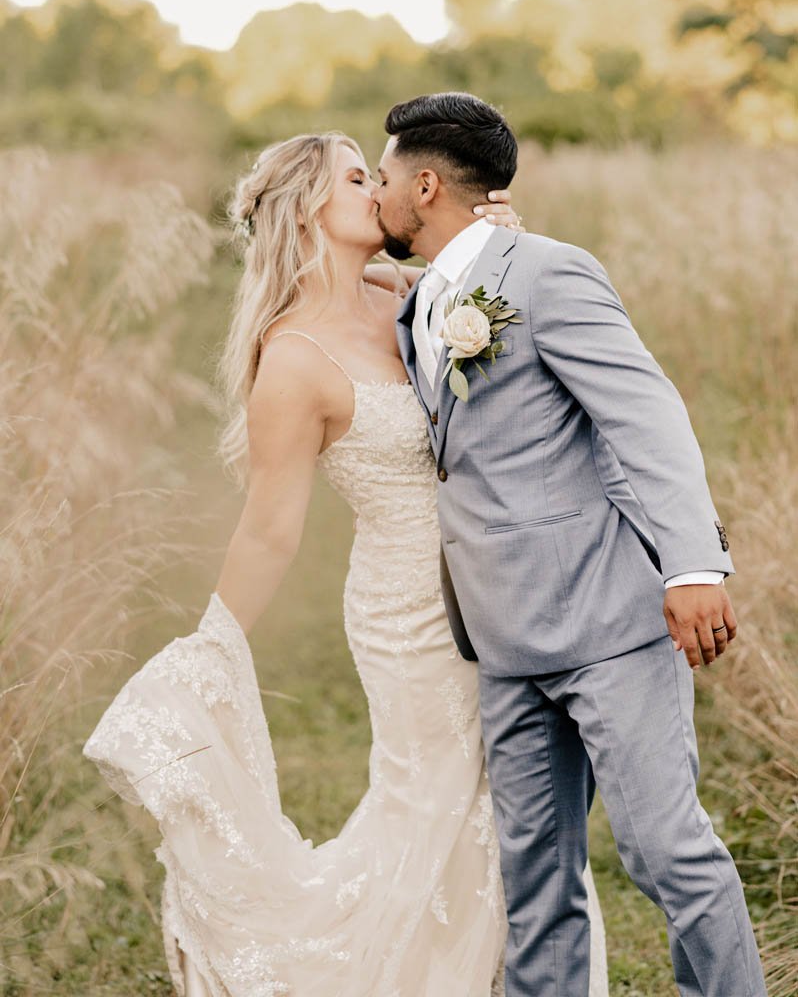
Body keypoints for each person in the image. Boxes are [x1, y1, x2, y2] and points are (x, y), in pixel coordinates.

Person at [83, 130, 609, 997]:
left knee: (513, 790)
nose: (383, 187)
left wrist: (500, 240)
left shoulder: (401, 291)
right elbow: (269, 529)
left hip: (497, 580)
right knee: (438, 802)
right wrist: (214, 643)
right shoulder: (292, 361)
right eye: (359, 177)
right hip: (406, 610)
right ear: (307, 209)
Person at [376, 91, 767, 997]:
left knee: (667, 853)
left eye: (385, 177)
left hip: (609, 619)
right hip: (503, 635)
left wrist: (693, 565)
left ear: (426, 183)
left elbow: (647, 414)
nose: (379, 196)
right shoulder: (423, 299)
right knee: (535, 880)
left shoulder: (549, 273)